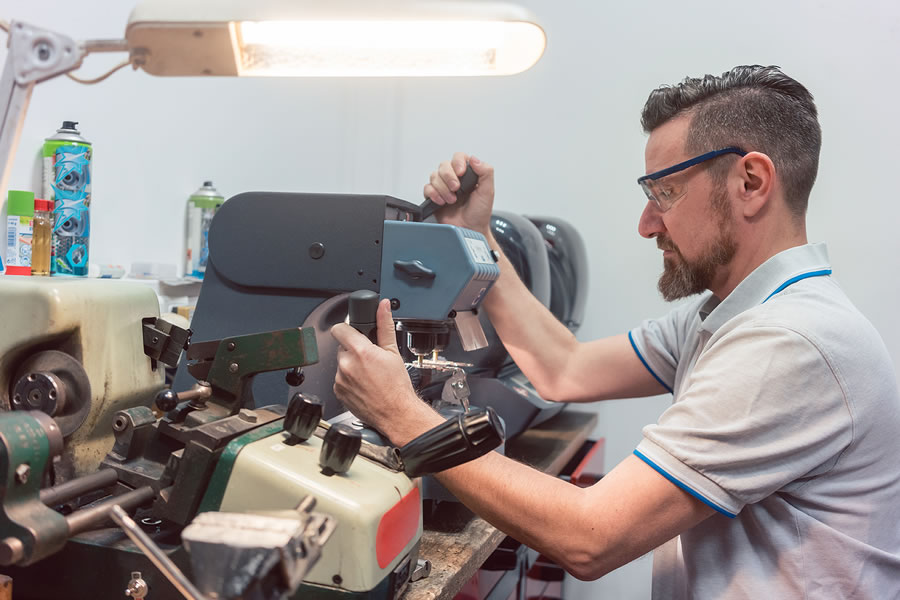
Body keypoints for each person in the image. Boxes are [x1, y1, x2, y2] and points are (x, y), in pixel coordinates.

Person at [330, 65, 900, 598]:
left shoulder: (790, 342)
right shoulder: (730, 316)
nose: (647, 223)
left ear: (750, 182)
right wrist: (477, 234)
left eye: (664, 194)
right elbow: (565, 369)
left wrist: (404, 417)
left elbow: (590, 536)